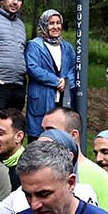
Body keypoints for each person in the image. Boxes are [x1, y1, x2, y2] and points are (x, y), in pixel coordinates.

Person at [22, 10, 76, 140]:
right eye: (51, 23)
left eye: (58, 23)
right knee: (39, 137)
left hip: (63, 98)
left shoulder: (67, 47)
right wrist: (56, 81)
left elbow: (74, 69)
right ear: (44, 25)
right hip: (42, 98)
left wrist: (67, 81)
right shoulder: (34, 45)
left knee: (61, 136)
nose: (56, 27)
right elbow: (33, 68)